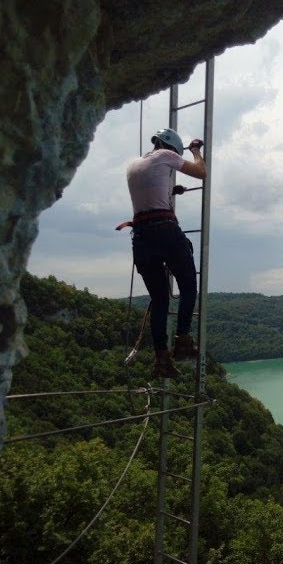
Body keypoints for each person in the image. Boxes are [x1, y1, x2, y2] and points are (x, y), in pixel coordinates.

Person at [119, 127, 206, 378]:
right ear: (170, 147)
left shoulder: (134, 164)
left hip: (142, 237)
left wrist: (172, 190)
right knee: (188, 286)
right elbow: (202, 173)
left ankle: (161, 360)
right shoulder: (165, 156)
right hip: (165, 231)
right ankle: (182, 342)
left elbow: (151, 190)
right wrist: (196, 151)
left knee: (159, 300)